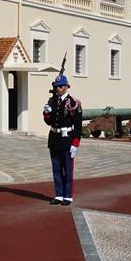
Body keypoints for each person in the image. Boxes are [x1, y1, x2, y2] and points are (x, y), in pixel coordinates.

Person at [43, 74, 82, 206]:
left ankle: (68, 196)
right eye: (56, 86)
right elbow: (49, 122)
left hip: (67, 140)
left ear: (66, 87)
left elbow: (78, 125)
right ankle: (59, 194)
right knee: (56, 169)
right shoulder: (52, 101)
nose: (58, 88)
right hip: (54, 139)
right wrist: (47, 113)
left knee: (67, 169)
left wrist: (75, 144)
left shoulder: (73, 103)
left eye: (60, 86)